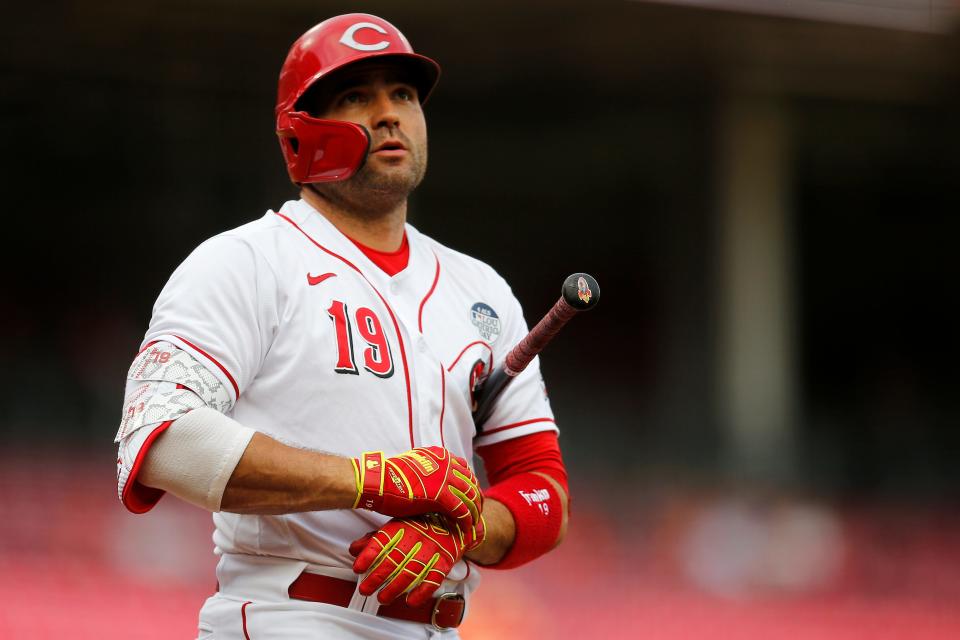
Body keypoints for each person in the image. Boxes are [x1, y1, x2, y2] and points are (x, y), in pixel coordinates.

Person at [114, 13, 570, 639]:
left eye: (404, 95)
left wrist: (461, 527)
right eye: (356, 96)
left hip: (441, 625)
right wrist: (368, 479)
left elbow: (544, 492)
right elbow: (160, 440)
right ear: (299, 132)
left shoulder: (482, 291)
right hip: (291, 614)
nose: (389, 114)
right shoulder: (246, 261)